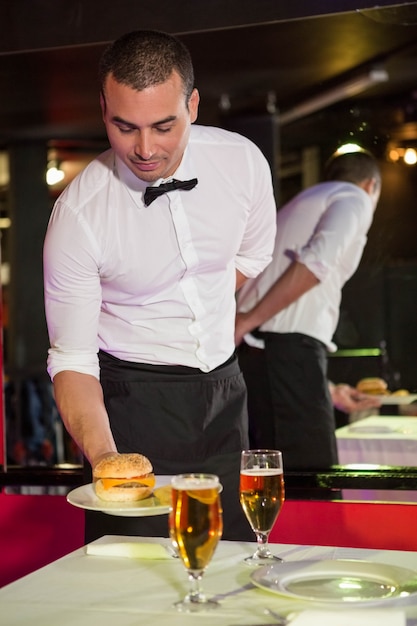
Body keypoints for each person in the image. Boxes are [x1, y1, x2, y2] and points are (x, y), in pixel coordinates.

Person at [43, 30, 277, 542]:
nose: (145, 149)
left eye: (164, 126)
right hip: (133, 404)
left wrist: (195, 311)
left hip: (224, 394)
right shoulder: (79, 216)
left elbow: (253, 256)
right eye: (124, 127)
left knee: (233, 563)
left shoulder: (242, 163)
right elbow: (72, 358)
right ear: (103, 109)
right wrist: (107, 459)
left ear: (192, 105)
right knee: (136, 584)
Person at [235, 150, 381, 469]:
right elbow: (316, 263)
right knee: (313, 478)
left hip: (264, 357)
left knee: (275, 475)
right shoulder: (355, 197)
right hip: (282, 350)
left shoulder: (305, 200)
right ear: (371, 185)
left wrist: (328, 390)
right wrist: (247, 320)